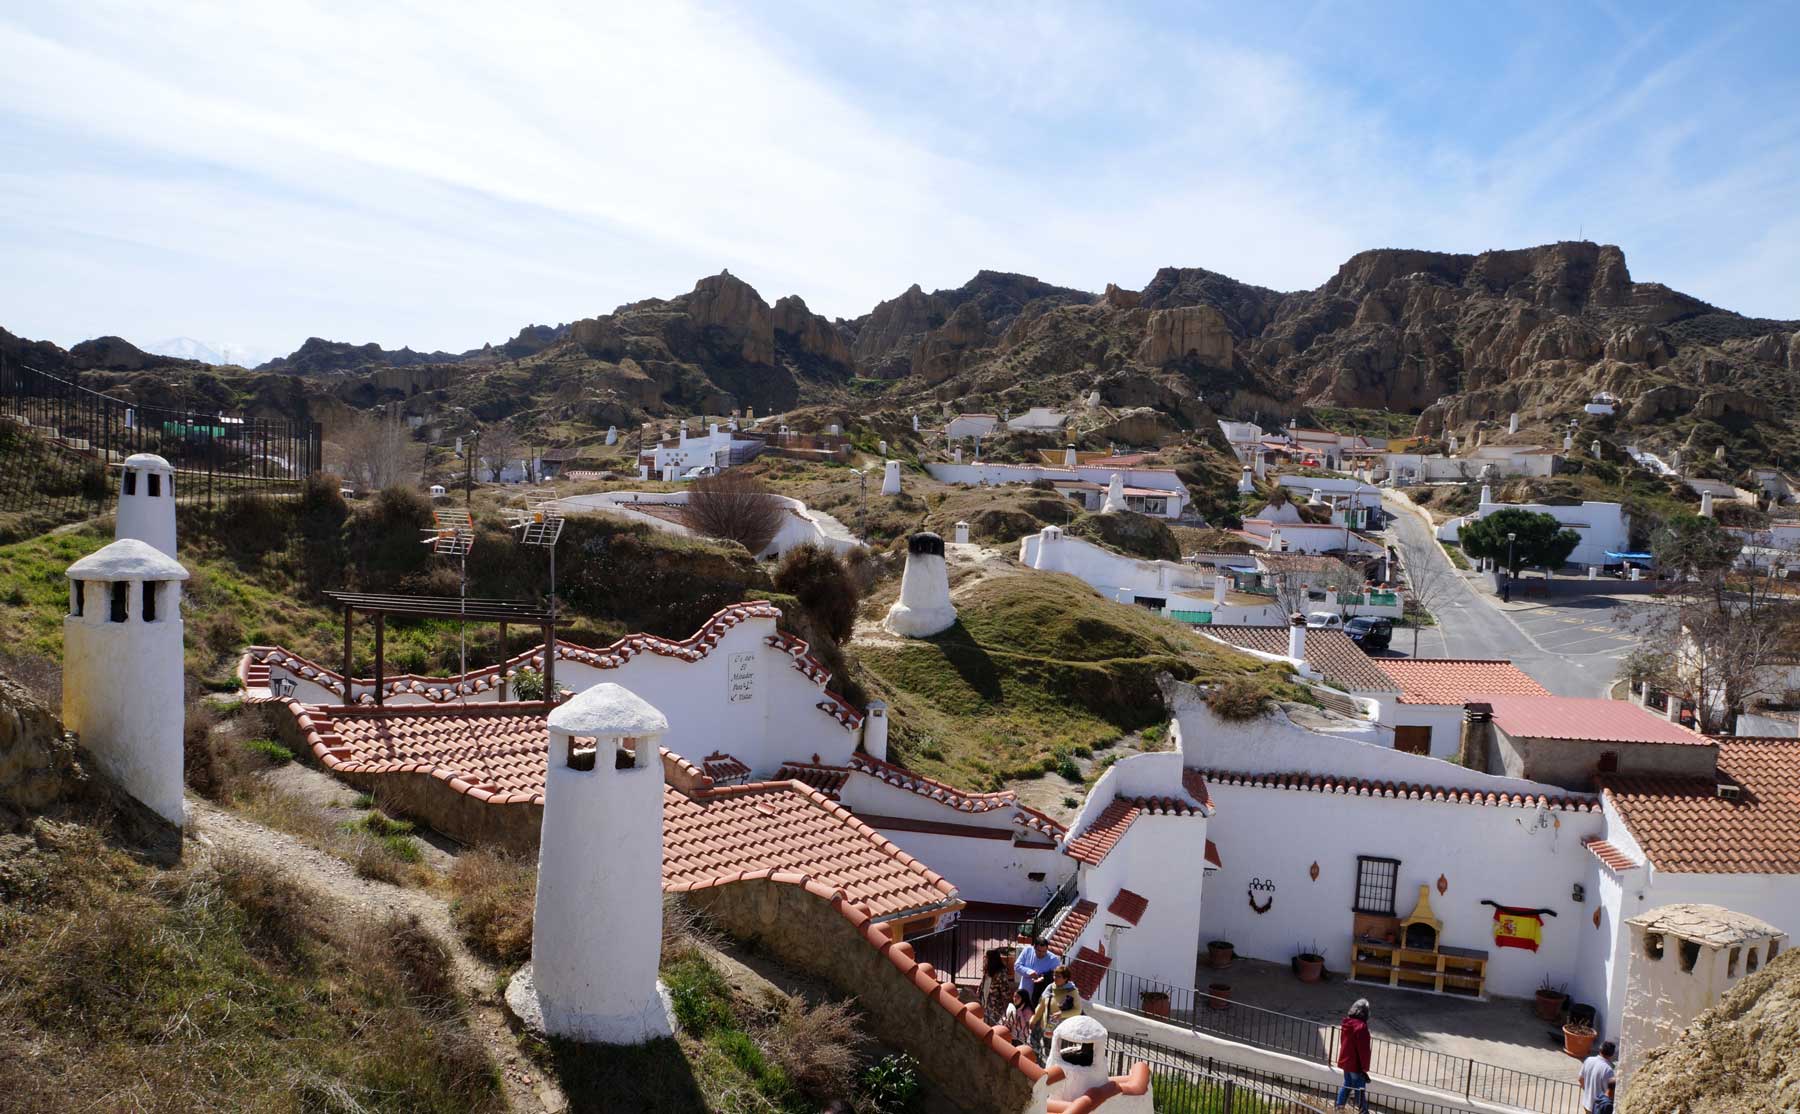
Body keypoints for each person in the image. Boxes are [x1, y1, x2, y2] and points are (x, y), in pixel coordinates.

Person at [1031, 965, 1083, 1052]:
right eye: (1054, 975)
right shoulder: (1050, 988)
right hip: (1047, 1028)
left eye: (1058, 976)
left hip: (1062, 1032)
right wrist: (1034, 1020)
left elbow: (1077, 1010)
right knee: (1047, 1052)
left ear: (1065, 978)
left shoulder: (1072, 991)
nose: (1055, 978)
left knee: (1059, 1055)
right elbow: (1041, 1005)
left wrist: (1061, 1014)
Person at [1334, 998, 1372, 1114]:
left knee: (1347, 1084)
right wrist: (1365, 1067)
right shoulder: (1361, 1027)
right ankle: (1363, 1111)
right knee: (1360, 1089)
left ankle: (1339, 1107)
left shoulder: (1347, 1023)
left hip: (1346, 1062)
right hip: (1356, 1065)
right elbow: (1363, 1050)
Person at [1013, 933, 1060, 1005]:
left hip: (1040, 995)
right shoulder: (1028, 951)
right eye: (1039, 951)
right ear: (1034, 947)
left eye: (1044, 951)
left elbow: (1056, 976)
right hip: (1024, 991)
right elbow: (1017, 966)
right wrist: (1029, 972)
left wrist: (1043, 978)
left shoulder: (1053, 959)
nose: (1041, 954)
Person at [1578, 1041, 1617, 1114]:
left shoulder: (1588, 1060)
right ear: (1612, 1055)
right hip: (1598, 1108)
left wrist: (1588, 1091)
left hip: (1586, 1103)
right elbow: (1610, 1092)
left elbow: (1580, 1079)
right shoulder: (1608, 1070)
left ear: (1600, 1050)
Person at [980, 949, 1013, 1024]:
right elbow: (983, 983)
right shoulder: (987, 969)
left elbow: (1006, 993)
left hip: (995, 1007)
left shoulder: (1001, 974)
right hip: (985, 1003)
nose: (984, 959)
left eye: (986, 957)